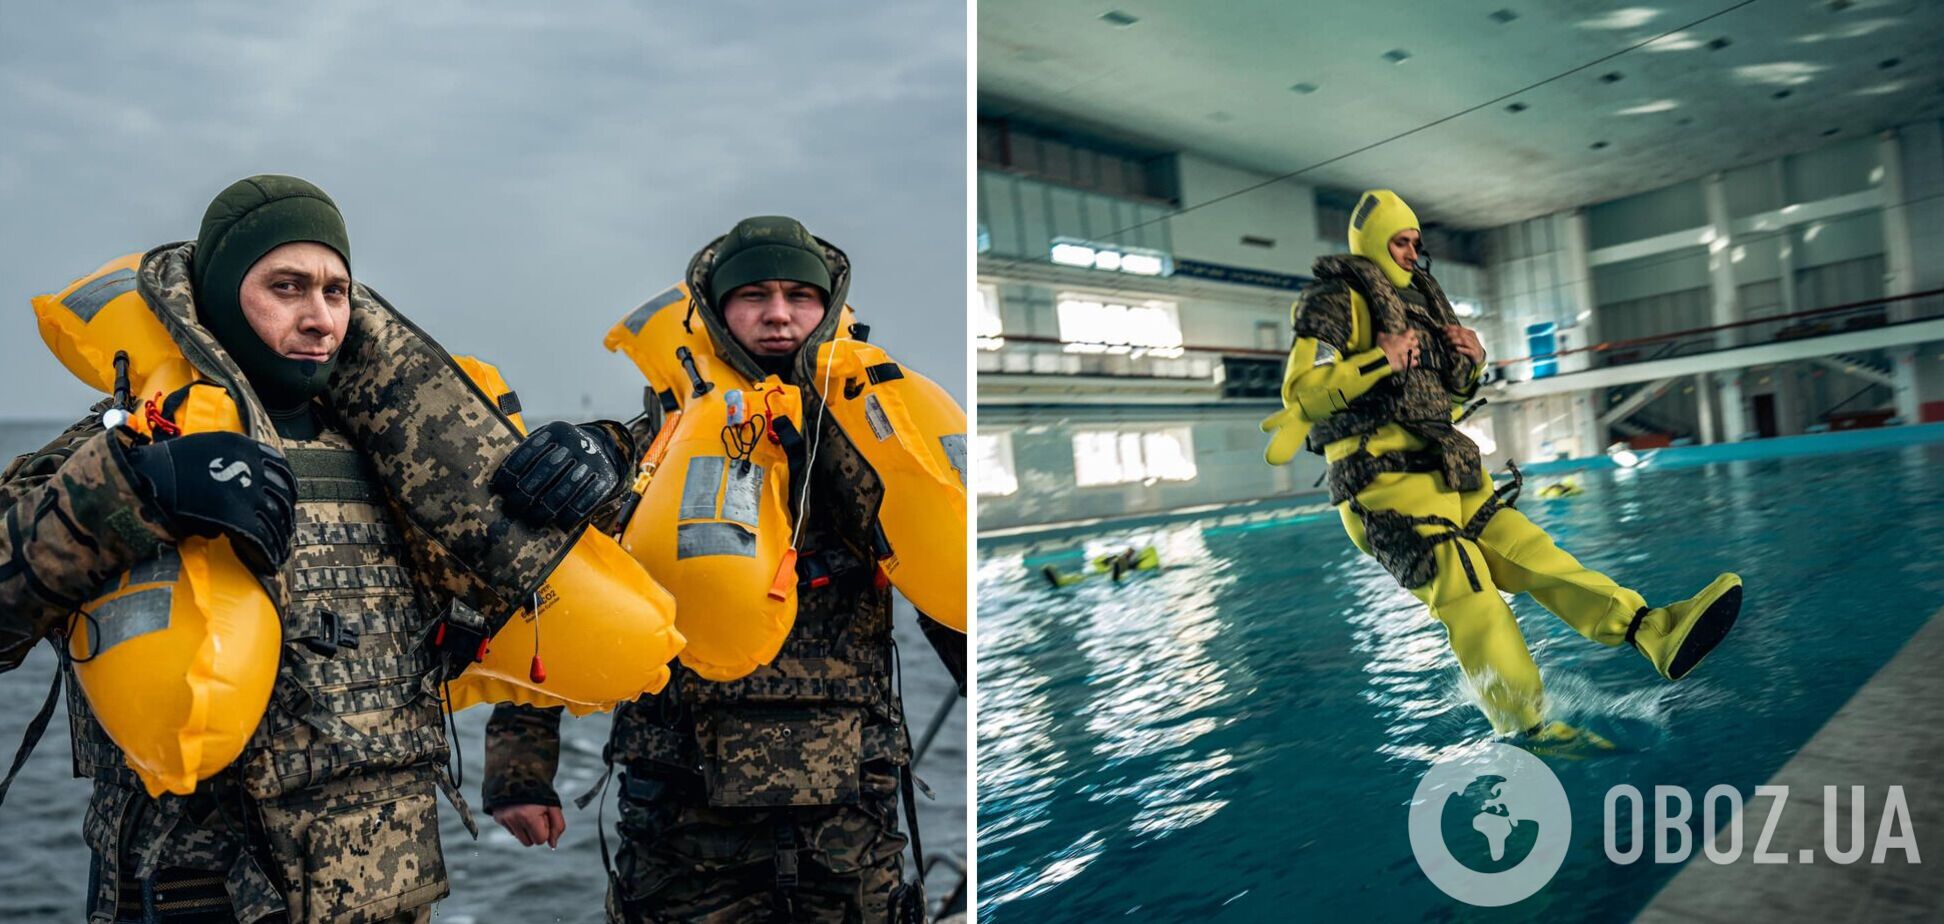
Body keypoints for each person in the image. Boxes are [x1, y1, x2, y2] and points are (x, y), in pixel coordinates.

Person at [0, 175, 627, 922]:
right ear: (220, 296)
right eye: (287, 287)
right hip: (202, 895)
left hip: (389, 888)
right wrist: (138, 489)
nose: (320, 318)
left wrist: (604, 452)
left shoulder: (401, 460)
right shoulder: (133, 441)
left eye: (336, 292)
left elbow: (594, 547)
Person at [483, 216, 966, 923]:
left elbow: (946, 592)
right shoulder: (647, 451)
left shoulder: (879, 447)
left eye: (800, 296)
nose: (778, 314)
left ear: (829, 306)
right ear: (715, 310)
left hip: (848, 821)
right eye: (754, 296)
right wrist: (520, 773)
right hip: (683, 824)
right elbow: (563, 600)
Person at [1260, 189, 1744, 742]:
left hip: (1450, 471)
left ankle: (1650, 629)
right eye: (1400, 242)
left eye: (1416, 242)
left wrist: (1472, 362)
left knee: (1533, 553)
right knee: (1468, 590)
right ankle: (1527, 731)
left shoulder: (1420, 302)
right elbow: (1300, 394)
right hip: (1383, 485)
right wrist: (1377, 360)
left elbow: (1444, 395)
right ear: (1371, 242)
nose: (1412, 253)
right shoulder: (1335, 301)